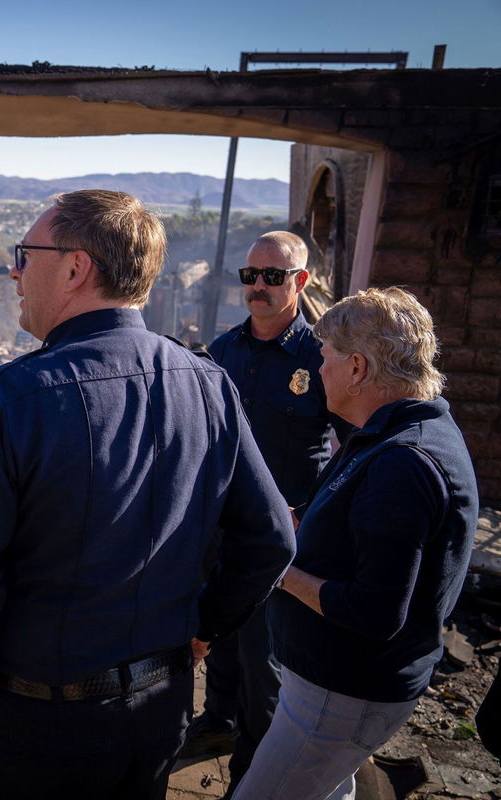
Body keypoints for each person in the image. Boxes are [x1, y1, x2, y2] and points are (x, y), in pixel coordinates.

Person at [0, 189, 296, 799]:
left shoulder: (12, 399)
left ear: (75, 268)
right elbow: (273, 536)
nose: (16, 271)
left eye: (26, 254)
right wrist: (204, 627)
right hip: (158, 713)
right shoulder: (208, 384)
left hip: (36, 724)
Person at [234, 287, 479, 800]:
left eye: (326, 358)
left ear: (358, 369)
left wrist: (277, 569)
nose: (318, 370)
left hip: (341, 694)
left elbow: (376, 611)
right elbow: (344, 522)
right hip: (334, 689)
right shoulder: (390, 431)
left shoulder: (404, 461)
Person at [183, 231, 346, 790]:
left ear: (299, 282)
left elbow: (354, 447)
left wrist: (313, 511)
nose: (257, 286)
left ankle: (248, 776)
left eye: (272, 277)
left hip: (278, 541)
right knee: (220, 639)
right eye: (249, 275)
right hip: (221, 531)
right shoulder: (222, 353)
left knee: (262, 666)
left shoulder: (321, 359)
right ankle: (216, 724)